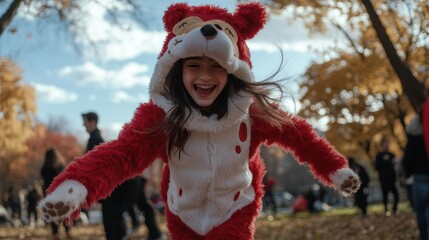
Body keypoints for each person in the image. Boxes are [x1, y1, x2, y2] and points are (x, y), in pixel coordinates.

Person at [38, 3, 360, 240]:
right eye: (194, 65)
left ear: (233, 70)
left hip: (235, 208)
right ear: (176, 69)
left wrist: (334, 168)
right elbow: (121, 155)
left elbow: (299, 136)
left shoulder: (253, 112)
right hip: (183, 212)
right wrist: (76, 186)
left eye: (216, 66)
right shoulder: (160, 118)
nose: (205, 77)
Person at [82, 111, 137, 240]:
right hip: (110, 187)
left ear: (93, 122)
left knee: (111, 219)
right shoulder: (96, 138)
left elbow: (96, 166)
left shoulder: (95, 140)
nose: (84, 126)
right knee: (113, 218)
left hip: (109, 187)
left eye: (85, 123)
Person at [402, 114, 429, 240]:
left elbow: (407, 159)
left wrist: (408, 174)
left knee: (421, 210)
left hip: (419, 177)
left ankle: (424, 235)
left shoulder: (414, 138)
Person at [40, 148, 71, 240]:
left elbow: (44, 183)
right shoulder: (61, 167)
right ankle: (67, 231)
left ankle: (55, 233)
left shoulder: (44, 169)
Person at [126, 175, 162, 240]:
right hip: (137, 177)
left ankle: (155, 233)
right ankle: (154, 233)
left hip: (137, 176)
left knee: (142, 203)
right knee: (141, 203)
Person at [375, 138, 400, 216]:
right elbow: (377, 167)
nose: (386, 146)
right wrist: (386, 161)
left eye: (387, 144)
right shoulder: (379, 156)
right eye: (385, 144)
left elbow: (395, 165)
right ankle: (386, 210)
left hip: (392, 179)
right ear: (382, 146)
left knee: (396, 195)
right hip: (383, 179)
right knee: (385, 195)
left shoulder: (392, 154)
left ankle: (394, 209)